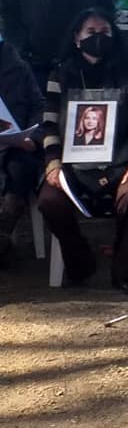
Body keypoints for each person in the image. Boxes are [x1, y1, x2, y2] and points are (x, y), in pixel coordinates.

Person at [37, 8, 128, 294]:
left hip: (121, 161)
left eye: (104, 33)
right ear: (77, 38)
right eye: (91, 33)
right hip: (71, 166)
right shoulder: (60, 74)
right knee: (49, 201)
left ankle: (123, 271)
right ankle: (80, 262)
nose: (98, 38)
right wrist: (52, 164)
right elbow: (48, 124)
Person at [0, 37, 43, 266]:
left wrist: (31, 137)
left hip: (16, 145)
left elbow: (39, 106)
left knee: (22, 166)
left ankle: (4, 229)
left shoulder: (18, 66)